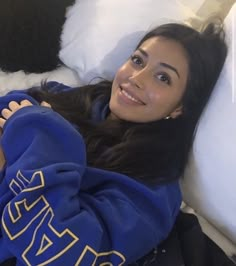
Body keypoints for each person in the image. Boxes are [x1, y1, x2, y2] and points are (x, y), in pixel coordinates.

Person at [0, 21, 227, 266]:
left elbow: (62, 251)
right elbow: (13, 106)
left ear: (180, 107)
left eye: (163, 77)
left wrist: (44, 139)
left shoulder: (153, 190)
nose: (136, 78)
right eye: (138, 60)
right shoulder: (74, 97)